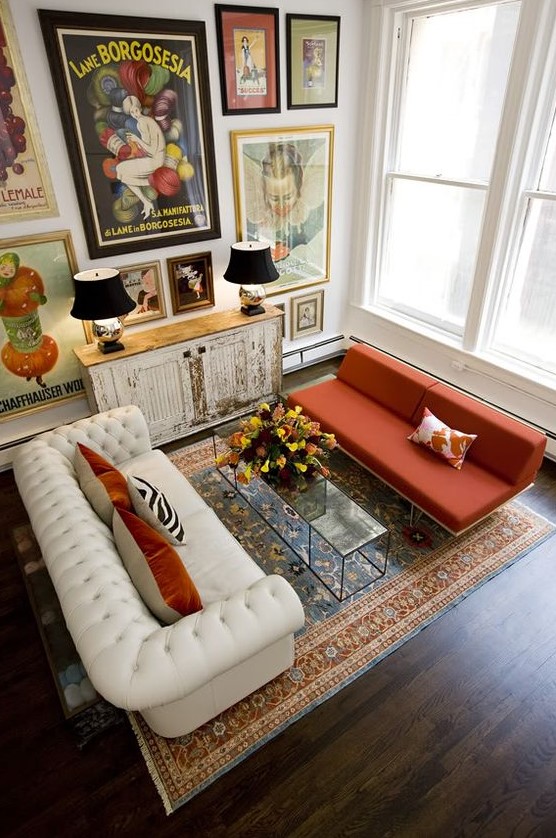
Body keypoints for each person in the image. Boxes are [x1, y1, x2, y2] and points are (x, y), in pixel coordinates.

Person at [115, 95, 166, 219]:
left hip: (156, 160)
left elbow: (152, 150)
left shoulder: (144, 122)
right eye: (131, 112)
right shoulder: (143, 121)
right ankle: (146, 201)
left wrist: (137, 140)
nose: (134, 114)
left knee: (121, 169)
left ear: (140, 108)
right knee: (122, 171)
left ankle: (145, 201)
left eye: (136, 110)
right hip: (154, 158)